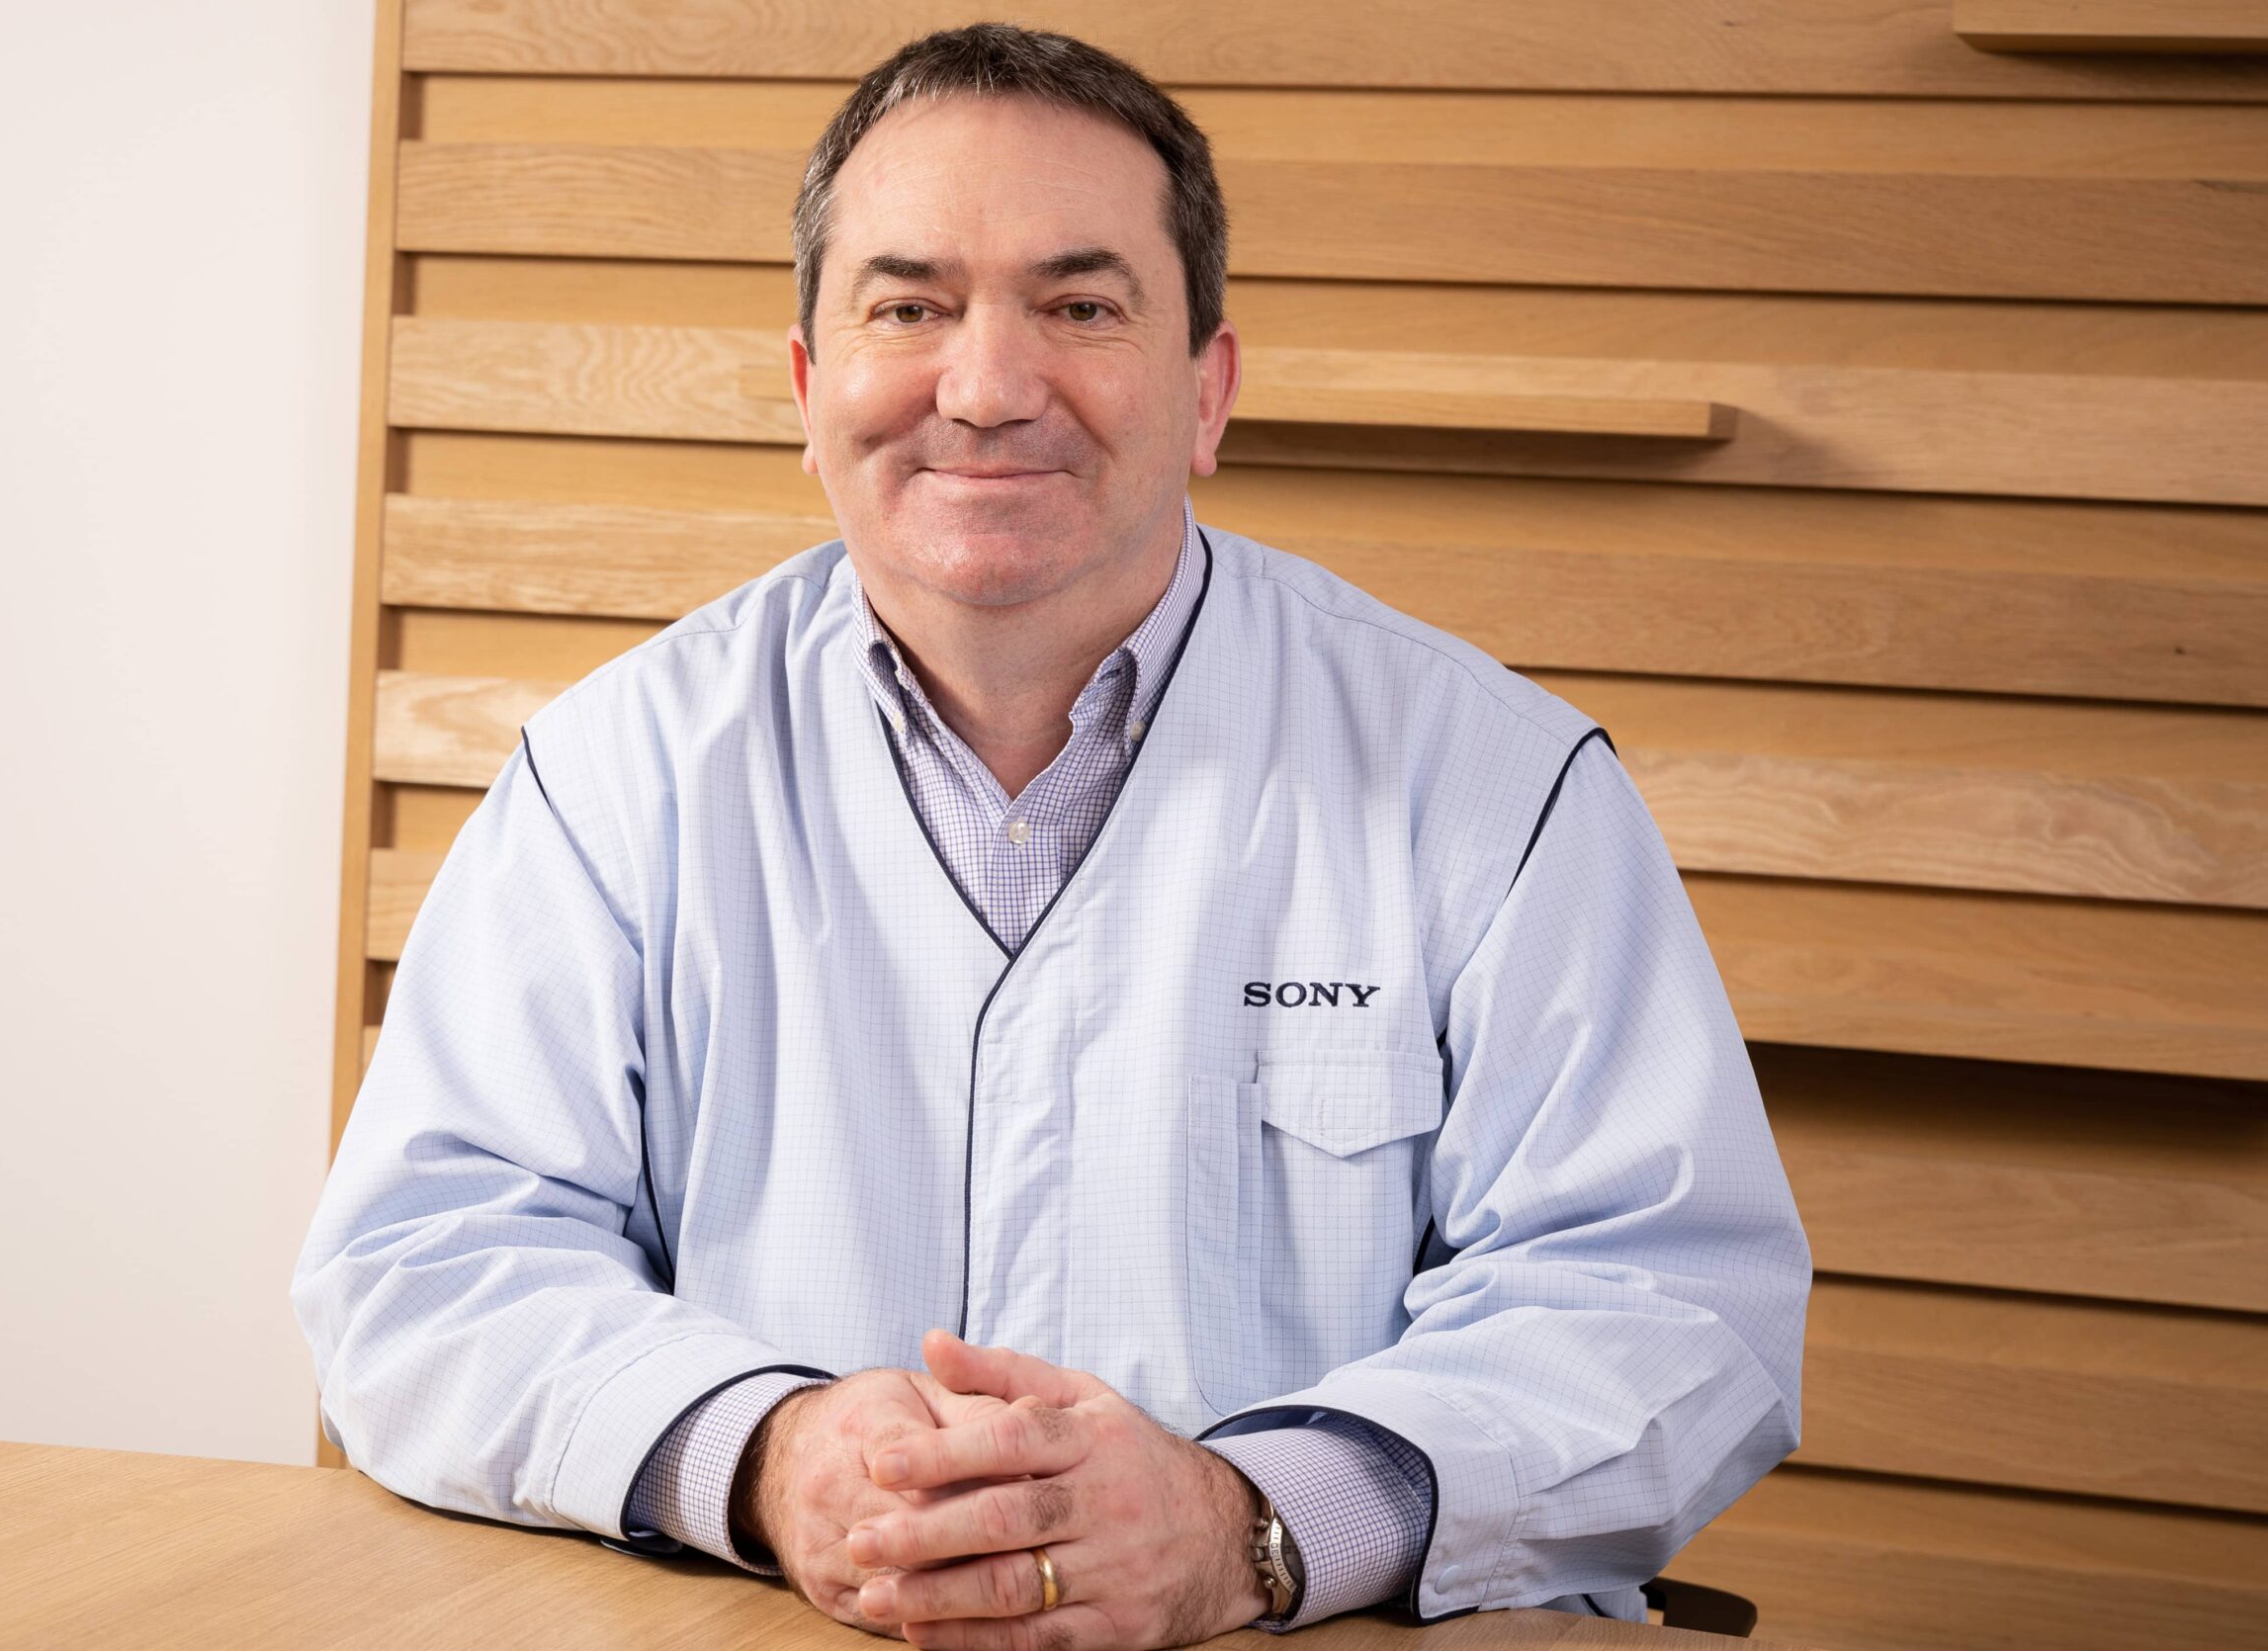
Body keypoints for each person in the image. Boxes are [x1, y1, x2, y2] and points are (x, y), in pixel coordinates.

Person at [292, 23, 1809, 1651]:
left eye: (1081, 307)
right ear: (811, 387)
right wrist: (765, 1454)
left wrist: (1252, 1527)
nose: (990, 386)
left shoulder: (1499, 789)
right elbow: (427, 1264)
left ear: (1206, 388)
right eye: (908, 307)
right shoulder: (614, 778)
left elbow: (1667, 1310)